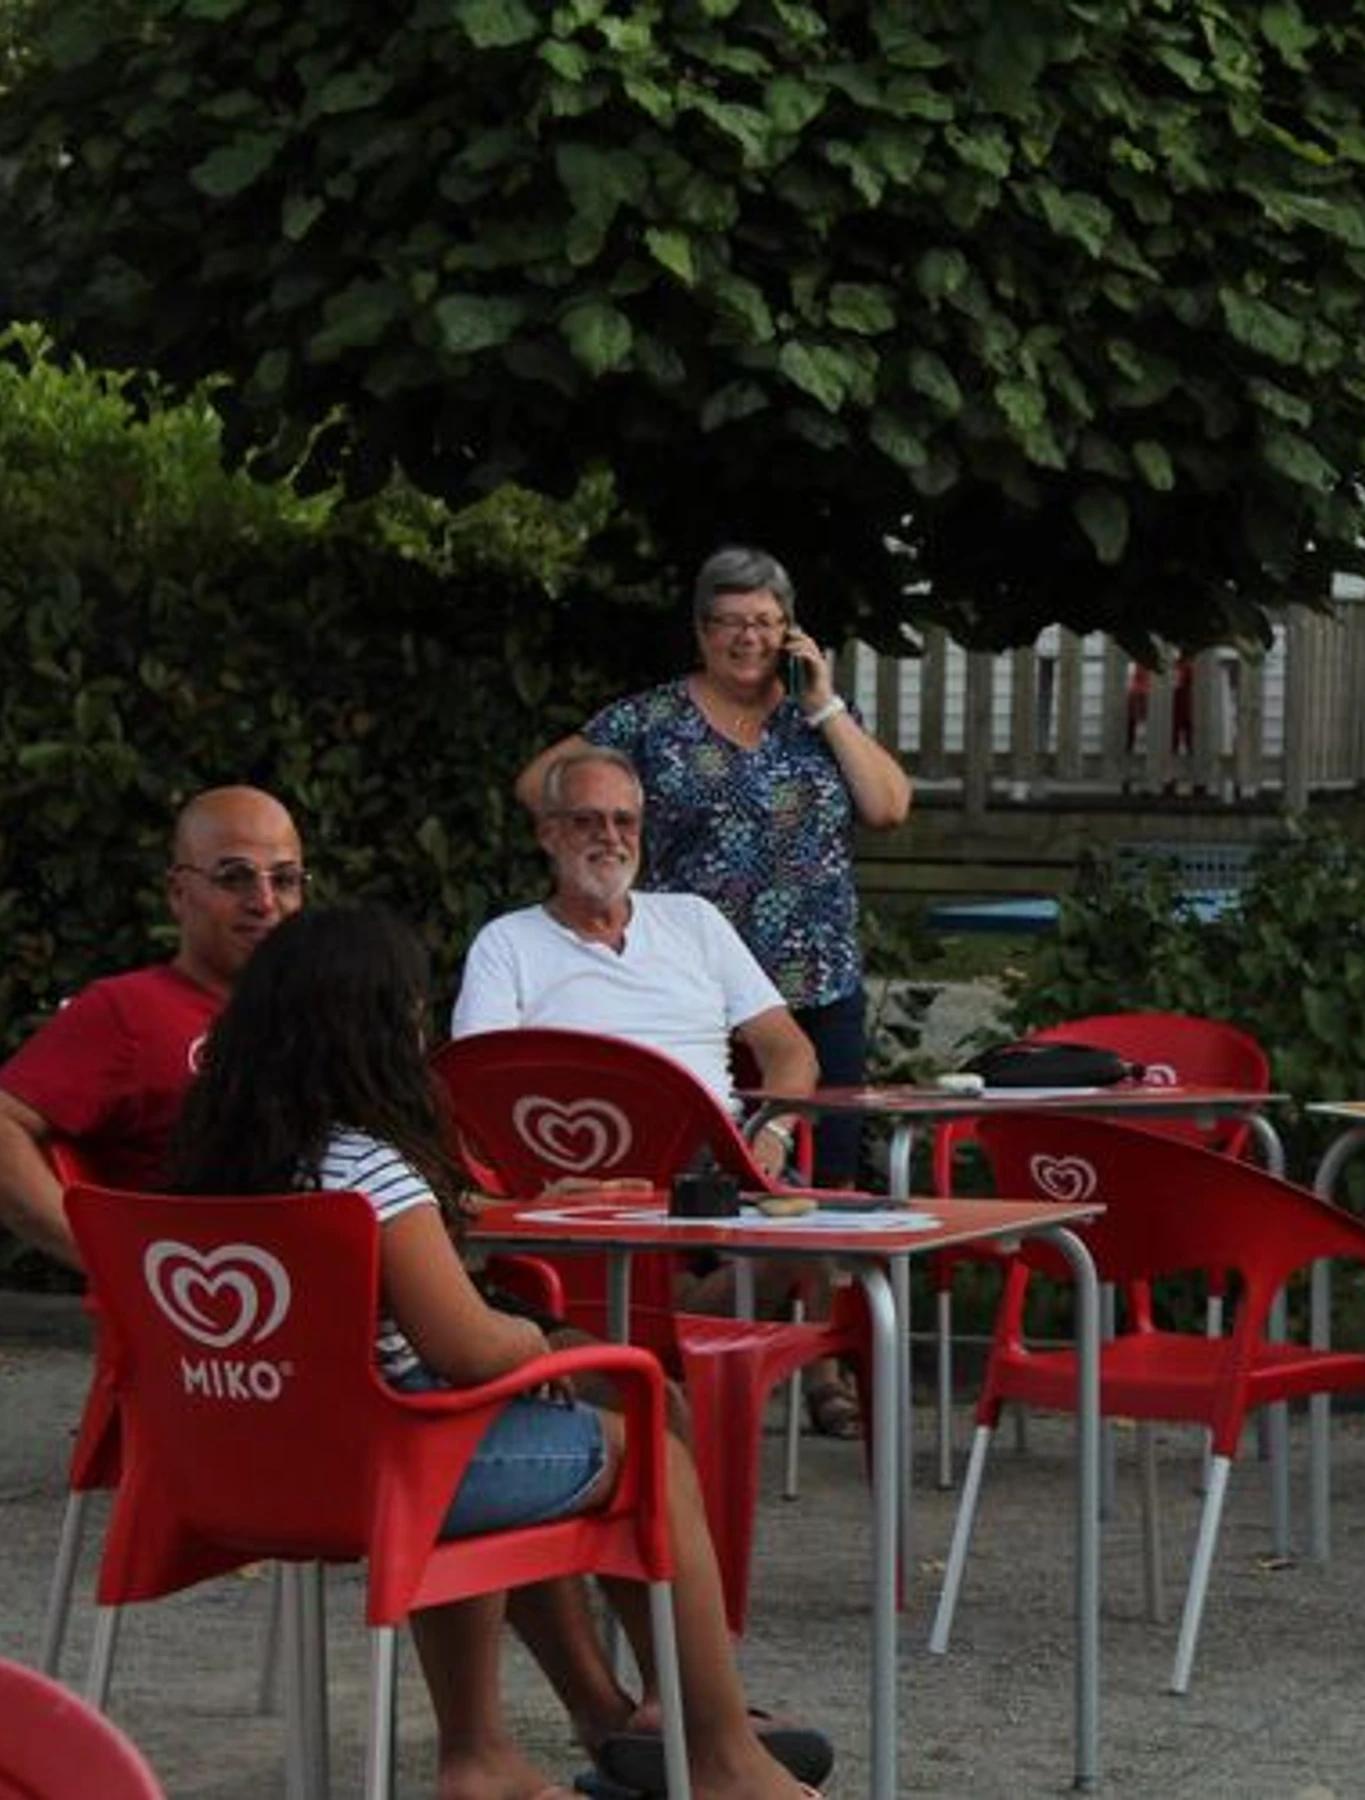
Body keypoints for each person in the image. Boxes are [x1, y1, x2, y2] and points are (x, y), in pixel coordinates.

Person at [171, 903, 825, 1800]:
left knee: (527, 1427)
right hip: (392, 1471)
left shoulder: (218, 1167)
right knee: (644, 1445)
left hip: (243, 1469)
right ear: (374, 1034)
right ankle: (721, 1758)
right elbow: (470, 1349)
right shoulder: (369, 1173)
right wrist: (537, 1342)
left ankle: (493, 1753)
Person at [516, 547, 909, 1435]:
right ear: (700, 631)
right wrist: (608, 851)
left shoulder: (817, 717)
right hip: (694, 984)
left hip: (813, 979)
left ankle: (820, 1369)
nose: (748, 638)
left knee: (822, 1179)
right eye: (730, 622)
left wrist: (826, 702)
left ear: (790, 631)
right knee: (702, 1174)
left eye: (765, 622)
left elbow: (888, 807)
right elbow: (538, 784)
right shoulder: (651, 719)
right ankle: (691, 1344)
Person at [455, 746, 820, 1171]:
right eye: (586, 821)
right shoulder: (505, 943)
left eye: (624, 821)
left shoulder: (695, 920)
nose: (610, 836)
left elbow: (791, 1050)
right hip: (575, 1163)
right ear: (548, 835)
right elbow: (479, 1082)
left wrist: (771, 1134)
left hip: (709, 1163)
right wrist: (541, 1178)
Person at [0, 786, 306, 1269]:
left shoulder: (320, 1012)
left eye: (284, 879)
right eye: (235, 877)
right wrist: (115, 1261)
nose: (264, 901)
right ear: (178, 893)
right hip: (201, 1305)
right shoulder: (128, 1010)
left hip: (328, 1288)